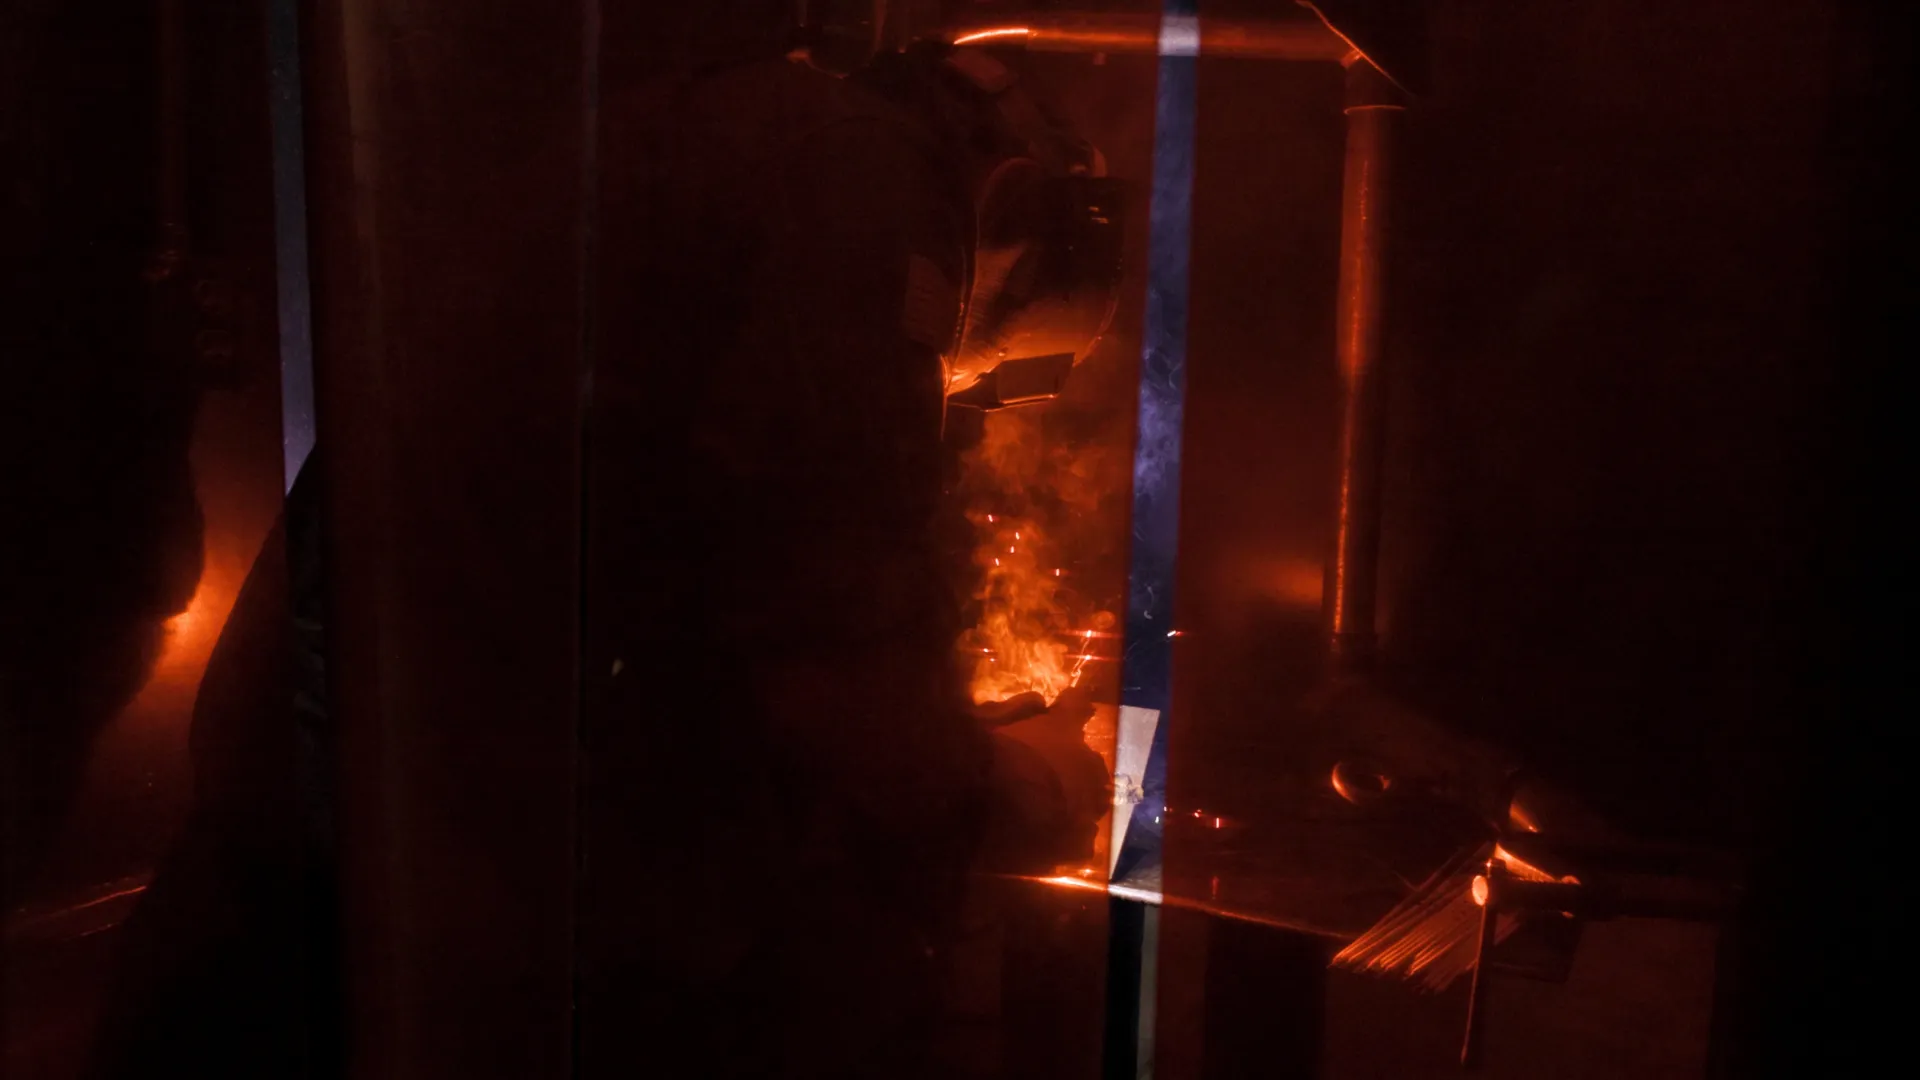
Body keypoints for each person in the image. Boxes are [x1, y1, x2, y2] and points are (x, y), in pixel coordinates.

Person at [577, 37, 1118, 1079]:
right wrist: (1018, 786)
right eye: (973, 352)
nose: (951, 388)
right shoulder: (858, 179)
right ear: (1004, 211)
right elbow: (827, 636)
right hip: (503, 895)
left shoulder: (731, 126)